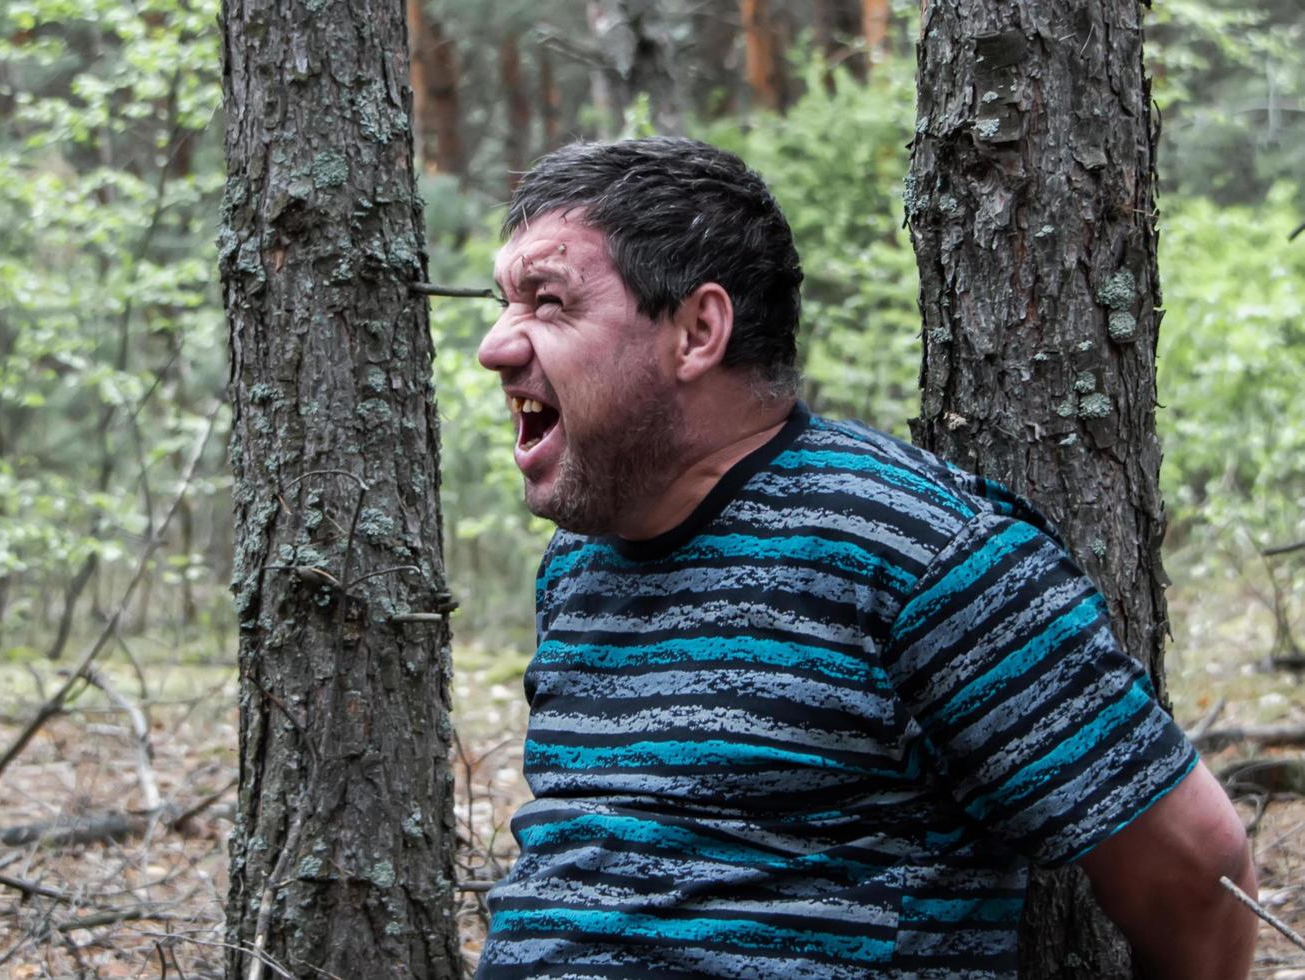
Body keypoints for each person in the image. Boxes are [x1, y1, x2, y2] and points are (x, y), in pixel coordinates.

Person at [473, 136, 1256, 979]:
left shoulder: (920, 554)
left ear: (698, 330)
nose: (495, 346)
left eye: (548, 303)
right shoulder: (579, 569)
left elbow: (1198, 873)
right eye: (504, 304)